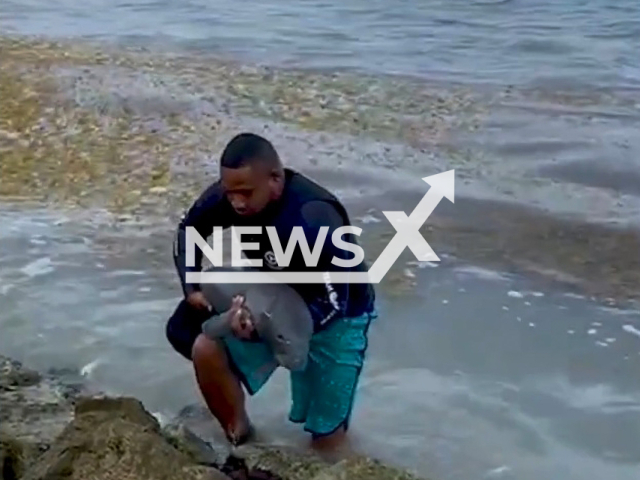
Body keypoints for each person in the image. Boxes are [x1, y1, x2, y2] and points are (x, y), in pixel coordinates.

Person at [166, 132, 376, 453]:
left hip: (339, 314)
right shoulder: (232, 198)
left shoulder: (314, 217)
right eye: (230, 192)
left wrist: (271, 331)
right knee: (199, 342)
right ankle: (241, 441)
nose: (236, 202)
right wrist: (191, 287)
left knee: (325, 435)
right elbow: (189, 232)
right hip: (275, 291)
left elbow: (338, 298)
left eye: (246, 193)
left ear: (275, 180)